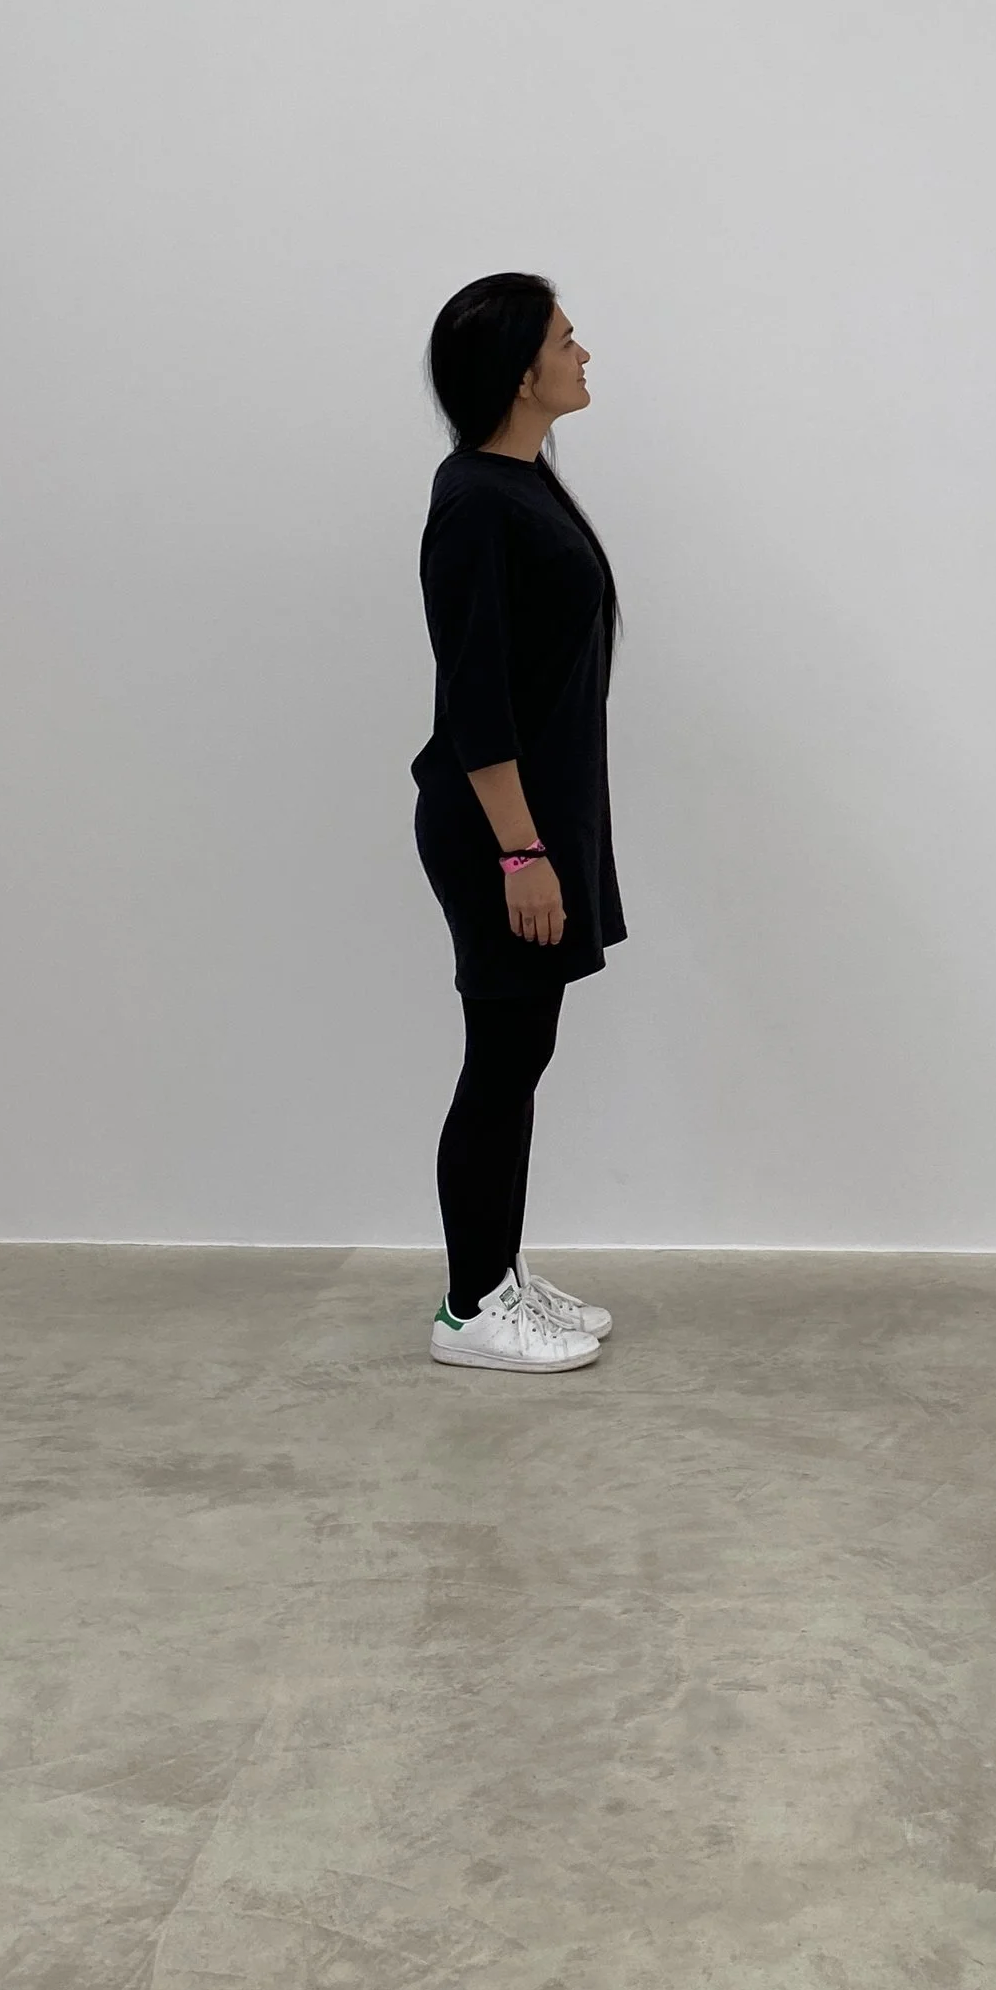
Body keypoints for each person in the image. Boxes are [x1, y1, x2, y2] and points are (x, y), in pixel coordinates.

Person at [411, 273, 625, 1374]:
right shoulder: (475, 499)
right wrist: (524, 850)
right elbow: (476, 701)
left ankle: (497, 1271)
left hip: (538, 819)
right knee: (500, 1057)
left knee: (520, 1051)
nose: (584, 352)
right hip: (501, 826)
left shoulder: (522, 483)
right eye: (564, 338)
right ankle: (465, 1309)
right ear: (518, 370)